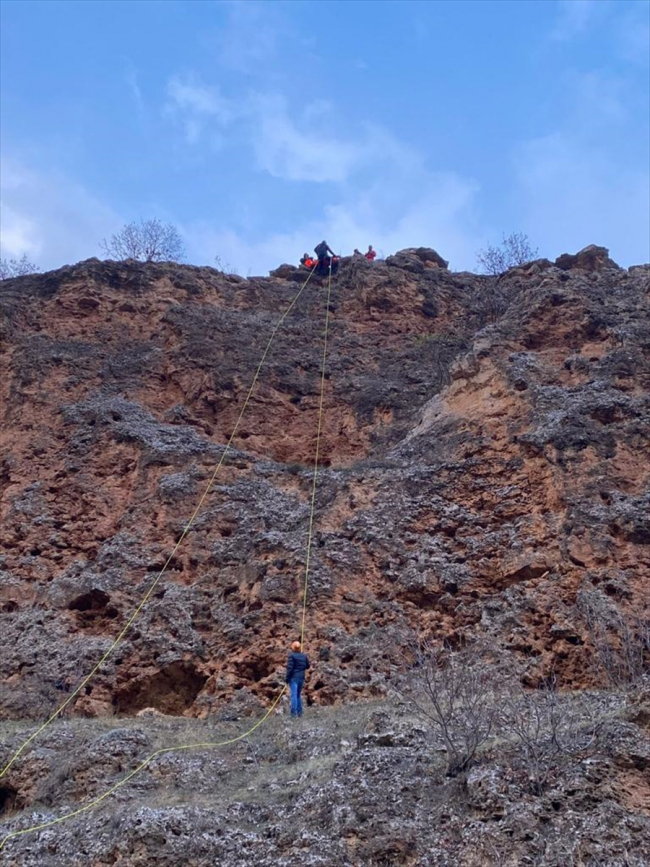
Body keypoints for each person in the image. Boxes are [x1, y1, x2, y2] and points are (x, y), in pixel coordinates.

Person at [285, 639, 310, 718]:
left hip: (293, 678)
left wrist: (287, 678)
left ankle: (293, 714)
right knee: (298, 695)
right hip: (301, 678)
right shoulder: (304, 656)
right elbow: (308, 666)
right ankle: (299, 713)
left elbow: (290, 668)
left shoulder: (291, 656)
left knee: (294, 695)